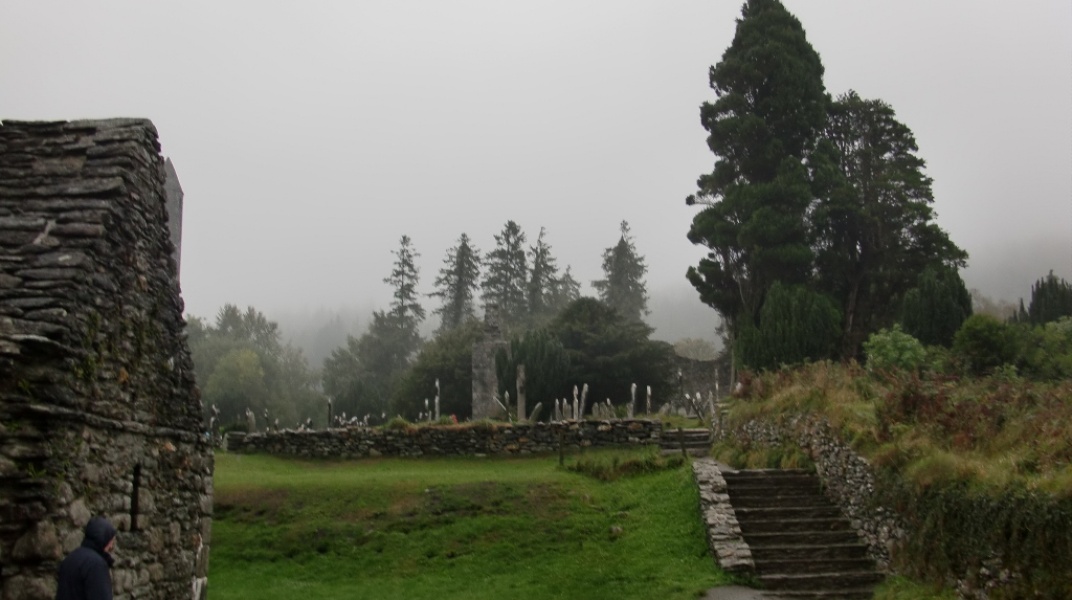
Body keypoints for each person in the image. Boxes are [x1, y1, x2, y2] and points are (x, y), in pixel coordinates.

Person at [55, 516, 116, 600]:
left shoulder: (70, 558)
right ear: (104, 539)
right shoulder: (96, 564)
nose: (111, 545)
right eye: (111, 540)